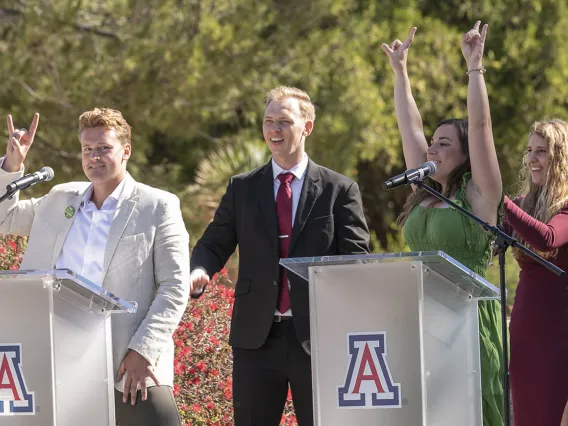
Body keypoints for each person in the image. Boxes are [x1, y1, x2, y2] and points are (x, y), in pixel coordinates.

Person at [190, 86, 370, 426]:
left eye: (284, 122)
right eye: (268, 121)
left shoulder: (339, 190)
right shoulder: (242, 188)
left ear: (307, 127)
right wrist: (199, 270)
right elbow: (214, 243)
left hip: (318, 337)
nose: (274, 129)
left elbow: (356, 262)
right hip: (256, 338)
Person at [0, 109, 189, 426]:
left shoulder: (158, 205)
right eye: (87, 150)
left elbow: (174, 288)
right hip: (56, 361)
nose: (94, 157)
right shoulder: (61, 198)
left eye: (104, 148)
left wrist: (142, 351)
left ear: (126, 150)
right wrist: (12, 166)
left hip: (126, 365)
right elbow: (5, 219)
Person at [381, 22, 504, 425]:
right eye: (432, 143)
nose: (431, 148)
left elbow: (482, 128)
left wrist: (474, 67)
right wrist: (401, 73)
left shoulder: (478, 195)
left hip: (466, 318)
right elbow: (410, 127)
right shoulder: (424, 192)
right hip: (421, 317)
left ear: (466, 154)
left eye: (444, 144)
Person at [502, 119, 568, 426]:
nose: (531, 159)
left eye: (541, 151)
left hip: (558, 333)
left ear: (560, 158)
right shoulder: (520, 206)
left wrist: (500, 203)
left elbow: (548, 238)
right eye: (529, 150)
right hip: (525, 329)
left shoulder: (566, 207)